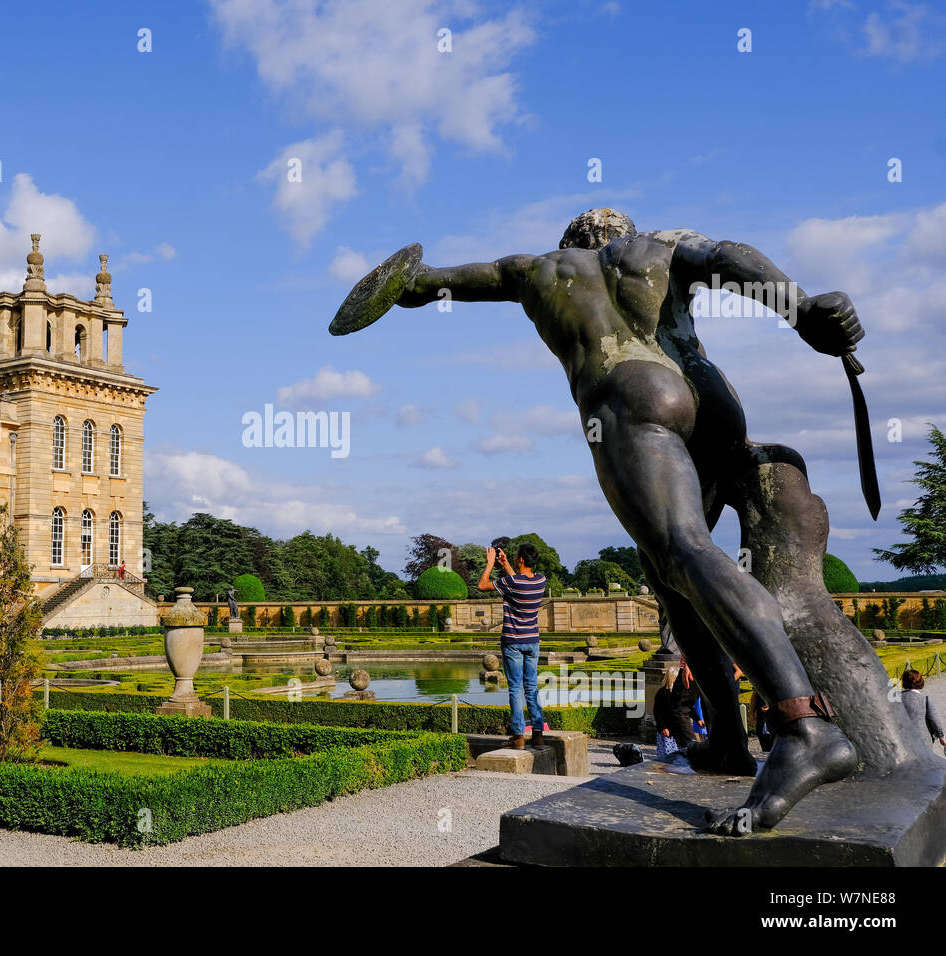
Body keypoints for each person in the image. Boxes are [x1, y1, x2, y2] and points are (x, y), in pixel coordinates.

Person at [333, 207, 864, 833]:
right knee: (672, 577)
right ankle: (725, 736)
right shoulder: (662, 248)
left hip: (632, 396)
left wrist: (407, 283)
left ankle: (804, 726)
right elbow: (730, 257)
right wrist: (802, 310)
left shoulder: (537, 268)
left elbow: (432, 284)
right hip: (712, 400)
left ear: (573, 242)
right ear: (622, 233)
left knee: (685, 552)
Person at [478, 542, 548, 749]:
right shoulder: (541, 580)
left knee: (516, 688)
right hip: (532, 641)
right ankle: (537, 734)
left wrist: (490, 563)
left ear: (520, 560)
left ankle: (518, 736)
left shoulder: (512, 582)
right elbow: (518, 581)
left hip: (513, 642)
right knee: (532, 687)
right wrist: (506, 563)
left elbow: (482, 585)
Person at [899, 670, 945, 748]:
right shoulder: (925, 700)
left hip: (902, 742)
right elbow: (935, 720)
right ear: (920, 681)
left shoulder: (895, 700)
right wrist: (942, 737)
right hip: (923, 742)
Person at [654, 666, 685, 758]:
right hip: (667, 730)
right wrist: (663, 727)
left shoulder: (680, 692)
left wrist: (698, 719)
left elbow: (686, 708)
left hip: (678, 730)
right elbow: (657, 712)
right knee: (666, 756)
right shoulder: (662, 693)